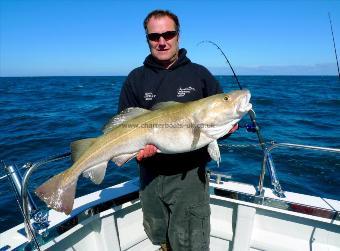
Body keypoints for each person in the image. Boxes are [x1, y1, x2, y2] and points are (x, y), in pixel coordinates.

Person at [118, 9, 237, 251]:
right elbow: (123, 126)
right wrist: (136, 152)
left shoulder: (200, 75)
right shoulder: (135, 78)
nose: (162, 41)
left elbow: (217, 118)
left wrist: (227, 128)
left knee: (190, 243)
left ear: (178, 36)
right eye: (154, 36)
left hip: (189, 177)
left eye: (168, 34)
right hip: (148, 176)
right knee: (159, 236)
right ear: (148, 39)